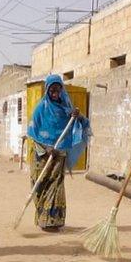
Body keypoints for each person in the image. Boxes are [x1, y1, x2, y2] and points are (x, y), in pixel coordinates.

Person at [26, 74, 90, 231]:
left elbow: (84, 123)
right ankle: (42, 218)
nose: (55, 93)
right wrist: (47, 149)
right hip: (42, 155)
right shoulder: (41, 109)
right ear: (47, 90)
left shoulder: (66, 109)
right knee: (40, 185)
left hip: (59, 153)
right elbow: (33, 132)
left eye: (58, 90)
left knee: (55, 186)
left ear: (62, 90)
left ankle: (53, 221)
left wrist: (77, 115)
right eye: (52, 90)